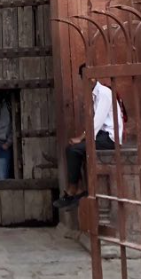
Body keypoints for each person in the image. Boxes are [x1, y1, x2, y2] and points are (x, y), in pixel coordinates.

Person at [54, 66, 125, 210]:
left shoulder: (104, 93)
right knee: (72, 149)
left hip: (110, 138)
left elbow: (96, 123)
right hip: (101, 136)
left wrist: (81, 138)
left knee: (74, 150)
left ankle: (73, 190)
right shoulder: (95, 94)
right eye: (84, 77)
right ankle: (78, 189)